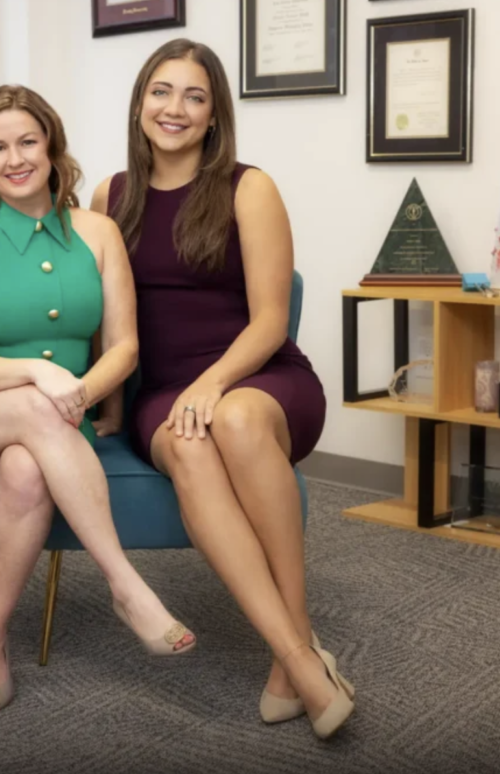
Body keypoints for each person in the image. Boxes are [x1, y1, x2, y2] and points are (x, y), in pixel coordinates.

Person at [92, 39, 353, 739]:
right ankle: (301, 657)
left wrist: (212, 384)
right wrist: (109, 405)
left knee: (231, 422)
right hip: (165, 393)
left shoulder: (249, 186)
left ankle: (288, 652)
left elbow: (271, 319)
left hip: (260, 378)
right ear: (140, 102)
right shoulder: (109, 195)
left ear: (214, 116)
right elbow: (108, 317)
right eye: (161, 91)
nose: (174, 108)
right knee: (190, 441)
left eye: (194, 96)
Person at [0, 84, 196, 714]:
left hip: (55, 420)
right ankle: (125, 585)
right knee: (36, 415)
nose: (15, 158)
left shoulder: (98, 232)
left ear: (51, 146)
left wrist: (84, 395)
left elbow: (123, 346)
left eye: (27, 141)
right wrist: (41, 379)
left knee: (23, 476)